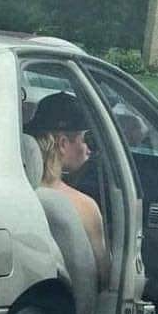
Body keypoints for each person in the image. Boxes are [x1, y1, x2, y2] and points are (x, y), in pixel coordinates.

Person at [25, 92, 109, 288]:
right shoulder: (84, 207)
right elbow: (106, 279)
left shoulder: (13, 193)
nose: (89, 149)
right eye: (85, 139)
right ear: (63, 144)